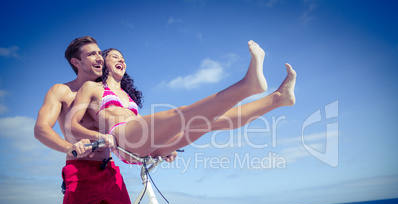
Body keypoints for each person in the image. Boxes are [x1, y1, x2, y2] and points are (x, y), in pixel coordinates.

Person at [34, 36, 160, 204]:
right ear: (76, 62)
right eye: (91, 54)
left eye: (100, 53)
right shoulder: (62, 91)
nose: (99, 58)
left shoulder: (107, 93)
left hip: (109, 170)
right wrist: (69, 147)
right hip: (80, 170)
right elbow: (41, 129)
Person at [67, 40, 296, 164]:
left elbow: (142, 126)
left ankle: (277, 98)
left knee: (210, 122)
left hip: (144, 146)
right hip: (121, 140)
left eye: (123, 57)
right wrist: (100, 137)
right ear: (102, 62)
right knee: (182, 114)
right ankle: (247, 86)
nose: (121, 59)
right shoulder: (93, 87)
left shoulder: (128, 97)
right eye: (114, 56)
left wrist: (163, 143)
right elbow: (71, 126)